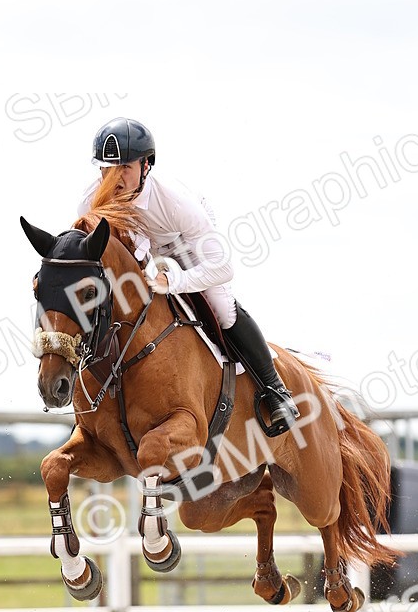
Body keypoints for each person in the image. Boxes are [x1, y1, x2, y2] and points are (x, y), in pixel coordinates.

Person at [77, 117, 300, 436]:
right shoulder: (90, 202)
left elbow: (223, 267)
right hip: (146, 250)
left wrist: (175, 282)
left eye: (125, 167)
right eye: (106, 168)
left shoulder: (175, 203)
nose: (114, 178)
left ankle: (276, 390)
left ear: (145, 165)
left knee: (222, 309)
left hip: (186, 243)